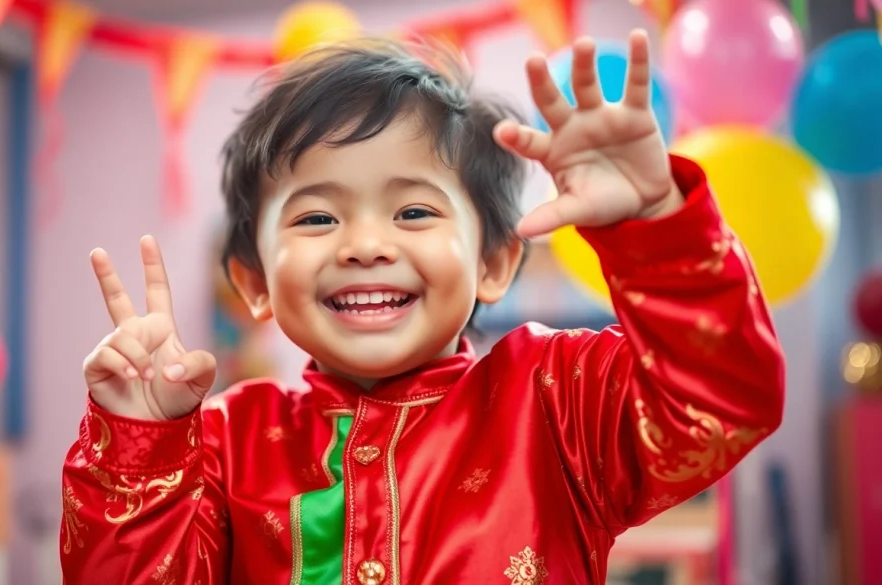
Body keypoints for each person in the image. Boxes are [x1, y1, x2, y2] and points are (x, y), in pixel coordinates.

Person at [60, 30, 785, 584]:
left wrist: (655, 221)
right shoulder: (221, 443)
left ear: (493, 263)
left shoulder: (557, 398)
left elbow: (723, 400)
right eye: (316, 219)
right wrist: (138, 444)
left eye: (412, 211)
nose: (365, 244)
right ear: (253, 280)